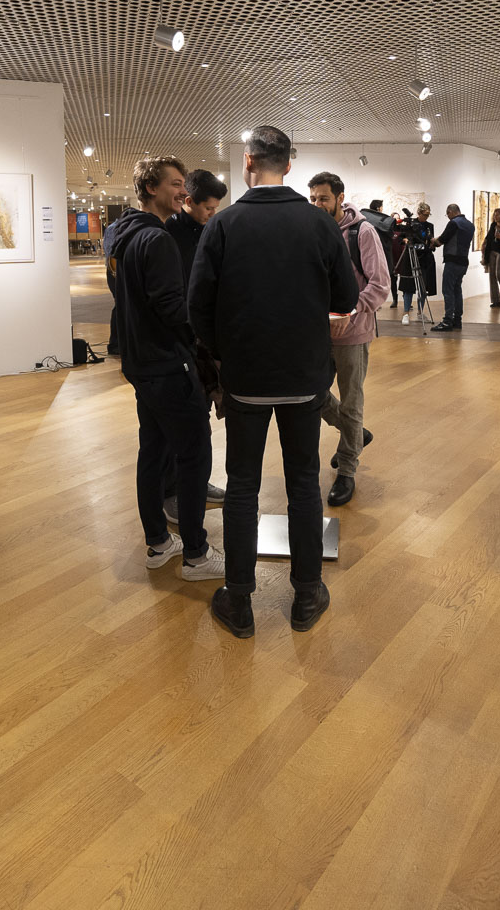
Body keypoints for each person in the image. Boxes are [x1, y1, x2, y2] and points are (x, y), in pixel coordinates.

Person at [188, 125, 357, 638]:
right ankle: (306, 594)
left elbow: (198, 308)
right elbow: (345, 298)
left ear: (247, 162)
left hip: (245, 378)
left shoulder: (223, 224)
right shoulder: (319, 223)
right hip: (304, 377)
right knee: (303, 483)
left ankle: (239, 599)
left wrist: (224, 354)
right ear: (288, 164)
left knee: (242, 485)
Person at [104, 157, 224, 584]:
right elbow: (173, 309)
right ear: (151, 188)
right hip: (168, 365)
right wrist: (209, 328)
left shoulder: (122, 235)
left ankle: (158, 543)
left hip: (141, 364)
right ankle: (196, 554)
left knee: (152, 453)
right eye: (175, 184)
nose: (182, 192)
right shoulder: (157, 239)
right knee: (194, 456)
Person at [308, 174, 388, 506]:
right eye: (313, 198)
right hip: (316, 333)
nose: (317, 204)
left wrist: (347, 312)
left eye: (323, 198)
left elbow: (380, 285)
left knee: (352, 401)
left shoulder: (362, 232)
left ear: (340, 198)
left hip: (353, 333)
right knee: (311, 392)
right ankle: (355, 435)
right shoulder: (311, 230)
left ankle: (347, 470)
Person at [159, 168, 227, 524]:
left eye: (216, 208)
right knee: (181, 421)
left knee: (202, 415)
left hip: (204, 339)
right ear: (189, 201)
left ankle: (198, 482)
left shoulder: (209, 230)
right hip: (180, 340)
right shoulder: (168, 235)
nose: (212, 214)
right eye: (208, 208)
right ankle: (172, 491)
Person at [430, 202, 476, 332]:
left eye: (447, 214)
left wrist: (432, 240)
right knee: (457, 290)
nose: (448, 217)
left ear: (450, 211)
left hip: (452, 261)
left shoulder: (454, 223)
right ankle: (457, 320)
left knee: (448, 291)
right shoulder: (470, 225)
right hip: (463, 262)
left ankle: (447, 321)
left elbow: (442, 240)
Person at [360, 198, 400, 309]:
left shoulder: (365, 219)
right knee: (390, 278)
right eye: (381, 207)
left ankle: (377, 302)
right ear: (378, 208)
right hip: (384, 254)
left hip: (374, 254)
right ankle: (391, 300)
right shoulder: (383, 223)